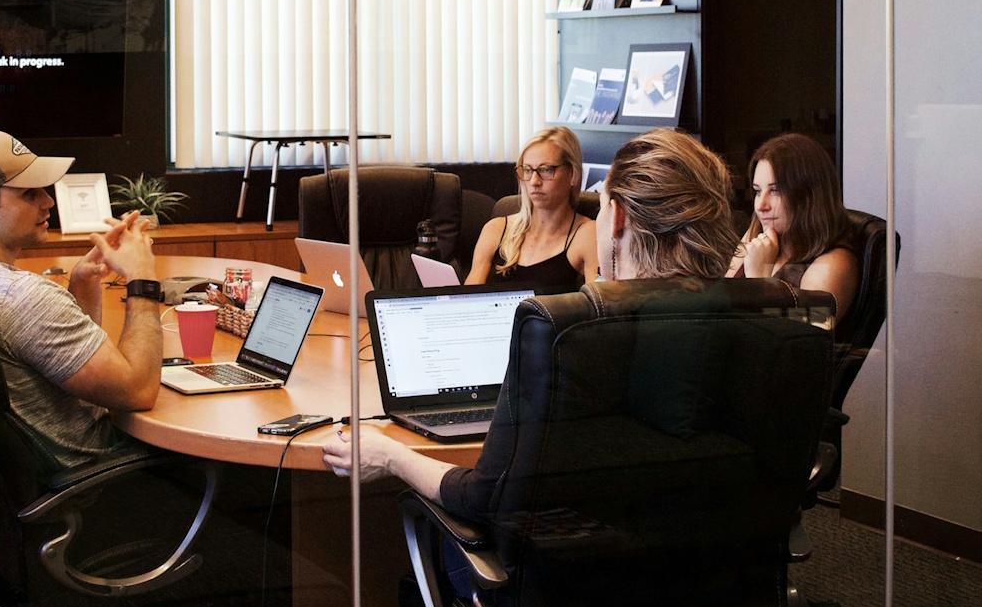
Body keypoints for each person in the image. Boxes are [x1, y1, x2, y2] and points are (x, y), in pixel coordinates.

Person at [323, 128, 740, 516]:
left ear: (615, 220)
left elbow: (482, 495)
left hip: (567, 575)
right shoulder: (765, 321)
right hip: (724, 575)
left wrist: (390, 455)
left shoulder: (566, 341)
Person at [0, 129, 164, 468]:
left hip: (25, 475)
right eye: (29, 193)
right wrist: (142, 279)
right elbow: (138, 391)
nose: (48, 201)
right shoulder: (24, 299)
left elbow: (58, 359)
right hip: (98, 474)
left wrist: (82, 283)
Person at [726, 132, 858, 325]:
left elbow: (799, 342)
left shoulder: (834, 264)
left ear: (808, 194)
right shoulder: (757, 237)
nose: (761, 205)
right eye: (757, 191)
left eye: (775, 190)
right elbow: (720, 309)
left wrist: (759, 279)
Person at [465, 127, 597, 291]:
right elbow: (466, 303)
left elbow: (600, 309)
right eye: (527, 170)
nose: (534, 181)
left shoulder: (588, 234)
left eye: (545, 170)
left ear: (572, 174)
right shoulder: (495, 229)